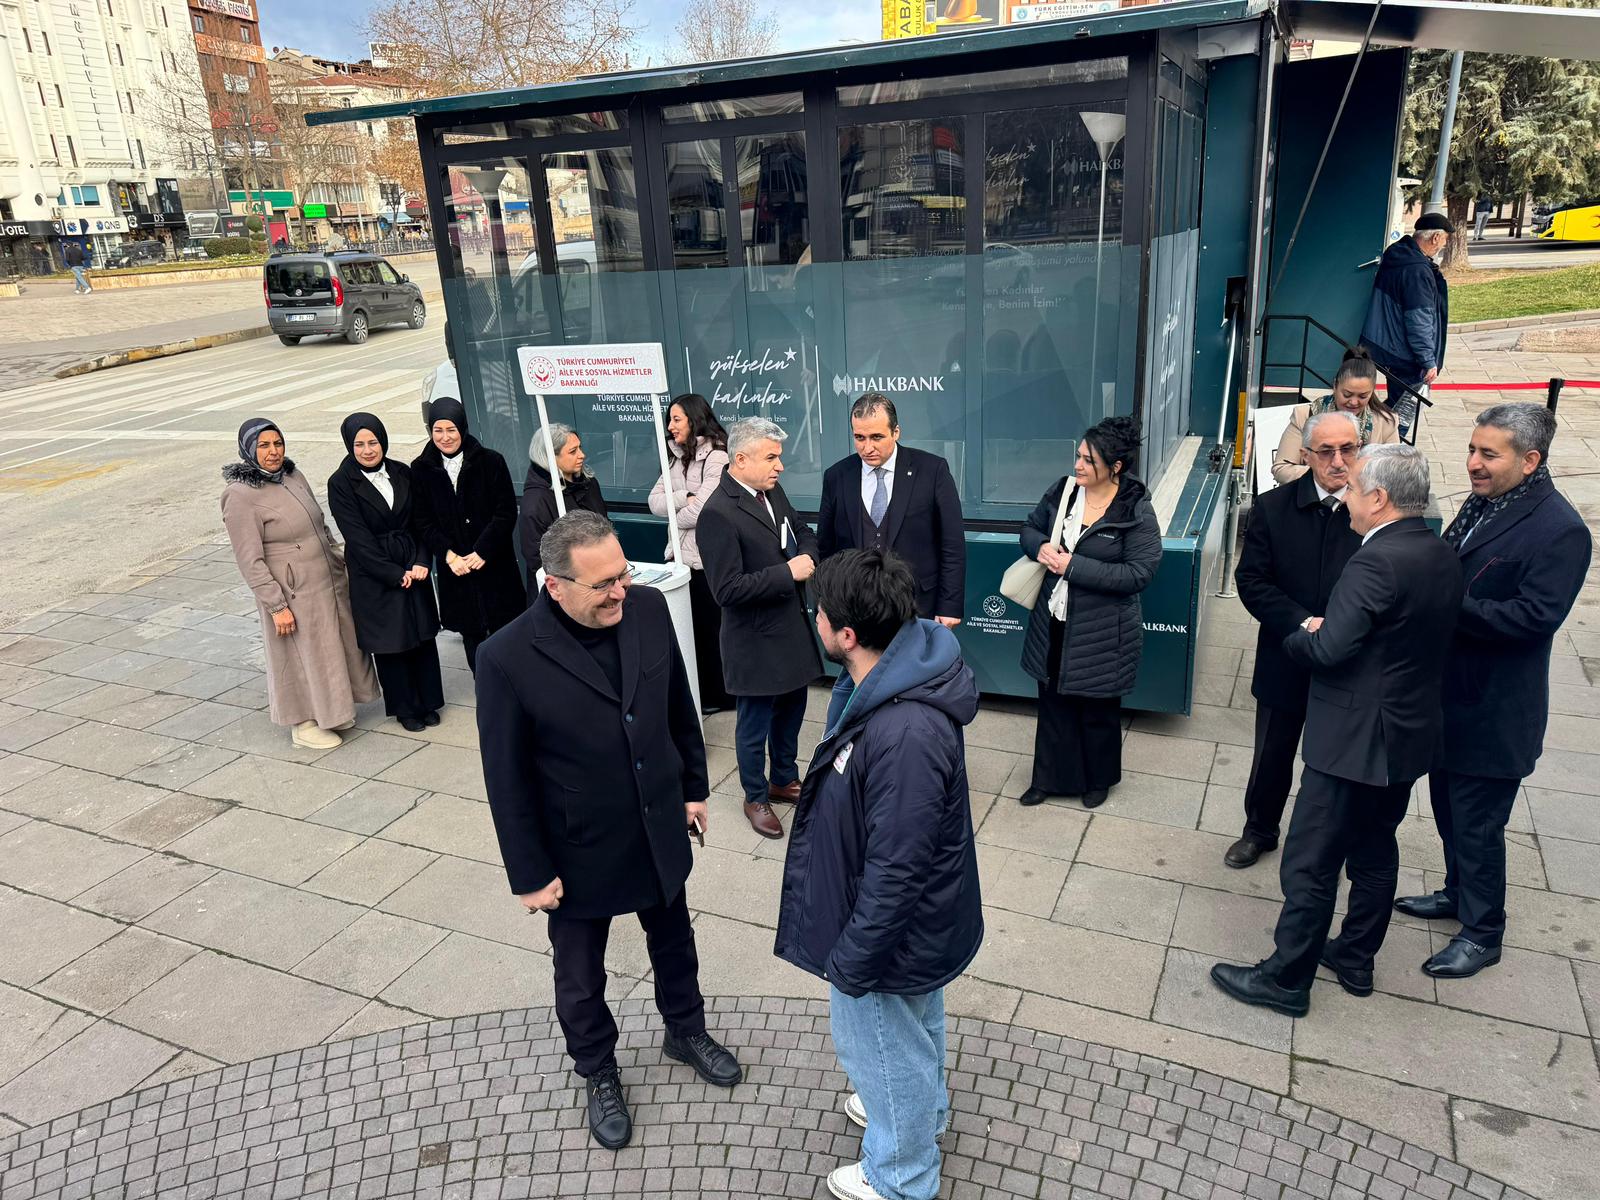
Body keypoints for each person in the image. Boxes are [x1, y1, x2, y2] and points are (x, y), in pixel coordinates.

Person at [475, 511, 742, 1151]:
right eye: (603, 585)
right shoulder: (505, 656)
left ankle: (685, 1030)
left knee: (674, 940)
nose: (620, 591)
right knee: (580, 972)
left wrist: (693, 787)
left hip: (657, 821)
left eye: (624, 575)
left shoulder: (648, 608)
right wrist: (530, 873)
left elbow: (677, 704)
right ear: (554, 585)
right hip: (577, 845)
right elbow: (506, 779)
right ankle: (597, 1069)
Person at [1210, 444, 1462, 1016]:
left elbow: (1328, 650)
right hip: (1407, 735)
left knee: (1311, 860)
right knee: (1374, 850)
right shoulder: (1437, 550)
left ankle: (1286, 980)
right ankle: (1354, 956)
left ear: (1379, 498)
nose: (1345, 495)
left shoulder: (1375, 561)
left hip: (1353, 740)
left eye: (1354, 488)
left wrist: (1305, 635)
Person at [774, 549, 983, 1200]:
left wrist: (854, 960)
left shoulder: (905, 730)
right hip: (913, 927)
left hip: (890, 934)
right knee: (914, 1026)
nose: (813, 618)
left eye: (819, 611)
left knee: (883, 1044)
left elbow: (898, 866)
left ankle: (900, 1175)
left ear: (846, 635)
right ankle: (918, 1112)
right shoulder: (886, 679)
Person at [1396, 404, 1592, 977]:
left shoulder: (1561, 531)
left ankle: (1483, 933)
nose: (1473, 464)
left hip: (1494, 712)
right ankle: (1458, 894)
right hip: (1449, 699)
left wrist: (1445, 604)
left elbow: (1533, 619)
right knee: (1449, 810)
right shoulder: (1487, 501)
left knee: (1478, 825)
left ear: (1530, 461)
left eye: (1488, 454)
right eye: (1472, 449)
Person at [1227, 411, 1365, 869]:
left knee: (1337, 763)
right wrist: (1303, 622)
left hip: (1348, 663)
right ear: (1305, 455)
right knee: (1272, 755)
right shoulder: (1273, 507)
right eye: (1326, 451)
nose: (1339, 461)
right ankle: (1259, 831)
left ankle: (1327, 844)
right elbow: (1252, 581)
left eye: (1348, 449)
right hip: (1285, 656)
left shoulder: (1373, 506)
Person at [1017, 416, 1162, 810]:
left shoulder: (1135, 509)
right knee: (1052, 701)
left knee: (1097, 707)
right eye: (1078, 455)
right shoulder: (1063, 491)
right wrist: (1039, 547)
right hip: (1055, 619)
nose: (1078, 465)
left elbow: (1139, 573)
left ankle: (1098, 781)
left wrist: (1073, 567)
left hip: (1104, 628)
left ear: (1115, 467)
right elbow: (1029, 528)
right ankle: (1047, 778)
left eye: (1089, 460)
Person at [697, 417, 821, 840]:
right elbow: (726, 590)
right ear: (740, 459)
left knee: (792, 713)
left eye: (778, 457)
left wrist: (807, 556)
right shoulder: (717, 513)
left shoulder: (771, 490)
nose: (779, 466)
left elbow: (800, 530)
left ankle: (783, 779)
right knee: (754, 727)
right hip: (753, 641)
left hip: (790, 630)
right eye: (771, 457)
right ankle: (755, 796)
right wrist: (788, 572)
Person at [221, 418, 379, 750]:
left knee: (331, 648)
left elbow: (320, 526)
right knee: (299, 656)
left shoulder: (292, 476)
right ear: (248, 450)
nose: (273, 452)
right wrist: (276, 605)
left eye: (277, 443)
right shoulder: (240, 496)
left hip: (325, 581)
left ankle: (333, 711)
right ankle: (304, 724)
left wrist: (338, 559)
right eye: (264, 446)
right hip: (291, 592)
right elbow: (249, 560)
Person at [326, 413, 445, 734]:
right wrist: (392, 573)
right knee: (392, 640)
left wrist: (422, 560)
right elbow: (357, 537)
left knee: (421, 635)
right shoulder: (341, 483)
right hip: (375, 571)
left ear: (383, 441)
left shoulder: (402, 471)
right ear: (349, 446)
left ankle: (429, 701)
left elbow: (421, 520)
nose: (367, 450)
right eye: (359, 444)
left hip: (413, 563)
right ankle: (405, 708)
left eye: (373, 442)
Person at [816, 393, 966, 626]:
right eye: (859, 437)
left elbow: (952, 543)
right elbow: (826, 546)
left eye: (876, 437)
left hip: (917, 603)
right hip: (856, 607)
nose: (867, 447)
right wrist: (827, 601)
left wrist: (949, 605)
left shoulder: (932, 470)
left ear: (896, 432)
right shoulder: (837, 476)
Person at [410, 397, 523, 674]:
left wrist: (483, 550)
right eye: (438, 430)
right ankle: (485, 685)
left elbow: (505, 512)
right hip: (456, 568)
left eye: (451, 429)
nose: (445, 437)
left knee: (507, 633)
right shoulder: (421, 469)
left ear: (462, 427)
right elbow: (422, 520)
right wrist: (448, 555)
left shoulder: (491, 461)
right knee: (472, 637)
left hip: (493, 563)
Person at [648, 393, 734, 714]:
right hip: (679, 561)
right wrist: (684, 496)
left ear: (695, 419)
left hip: (706, 561)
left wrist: (676, 512)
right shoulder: (673, 457)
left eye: (676, 419)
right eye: (670, 420)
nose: (670, 426)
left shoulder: (717, 457)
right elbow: (653, 501)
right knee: (692, 632)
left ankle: (722, 696)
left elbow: (704, 511)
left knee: (712, 632)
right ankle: (703, 693)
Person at [1360, 213, 1453, 437]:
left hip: (1387, 346)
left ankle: (1370, 439)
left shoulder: (1400, 256)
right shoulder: (1416, 269)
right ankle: (1382, 447)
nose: (1444, 244)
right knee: (1403, 411)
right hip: (1404, 354)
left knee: (1395, 405)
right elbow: (1419, 319)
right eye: (1445, 239)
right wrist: (1427, 360)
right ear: (1436, 237)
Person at [1270, 349, 1399, 486]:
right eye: (1347, 395)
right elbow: (1282, 469)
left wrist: (1354, 478)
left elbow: (1394, 473)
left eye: (1363, 396)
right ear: (1335, 385)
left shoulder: (1386, 423)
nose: (1354, 402)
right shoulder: (1304, 415)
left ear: (1372, 392)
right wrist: (1325, 474)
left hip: (1362, 497)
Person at [519, 423, 608, 603]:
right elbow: (538, 559)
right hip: (565, 593)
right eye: (573, 451)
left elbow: (605, 527)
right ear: (550, 457)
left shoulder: (589, 483)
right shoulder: (536, 502)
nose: (582, 455)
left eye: (580, 448)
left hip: (599, 578)